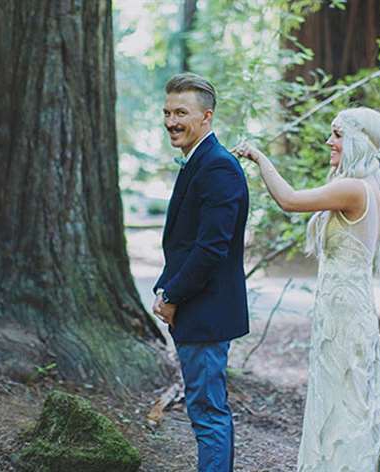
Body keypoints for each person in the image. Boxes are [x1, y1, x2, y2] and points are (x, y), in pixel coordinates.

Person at [233, 107, 380, 471]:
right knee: (356, 392)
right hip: (348, 305)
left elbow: (290, 200)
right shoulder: (371, 186)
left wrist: (258, 157)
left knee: (346, 398)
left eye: (338, 134)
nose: (330, 141)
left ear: (358, 140)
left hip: (344, 310)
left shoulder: (353, 188)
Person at [152, 73, 249, 472]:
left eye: (182, 113)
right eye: (167, 112)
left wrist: (173, 295)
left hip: (205, 311)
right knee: (203, 409)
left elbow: (211, 248)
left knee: (208, 412)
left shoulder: (218, 168)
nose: (172, 121)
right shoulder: (199, 161)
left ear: (206, 116)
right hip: (197, 307)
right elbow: (186, 240)